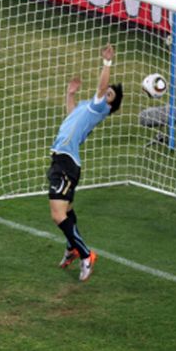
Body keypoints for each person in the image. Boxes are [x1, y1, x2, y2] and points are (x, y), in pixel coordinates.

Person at [47, 44, 123, 281]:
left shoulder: (99, 108)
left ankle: (86, 255)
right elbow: (71, 116)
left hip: (66, 163)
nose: (104, 93)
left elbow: (101, 87)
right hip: (62, 160)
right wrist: (70, 95)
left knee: (58, 215)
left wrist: (107, 62)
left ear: (109, 104)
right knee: (66, 211)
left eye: (109, 94)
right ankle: (71, 248)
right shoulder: (86, 107)